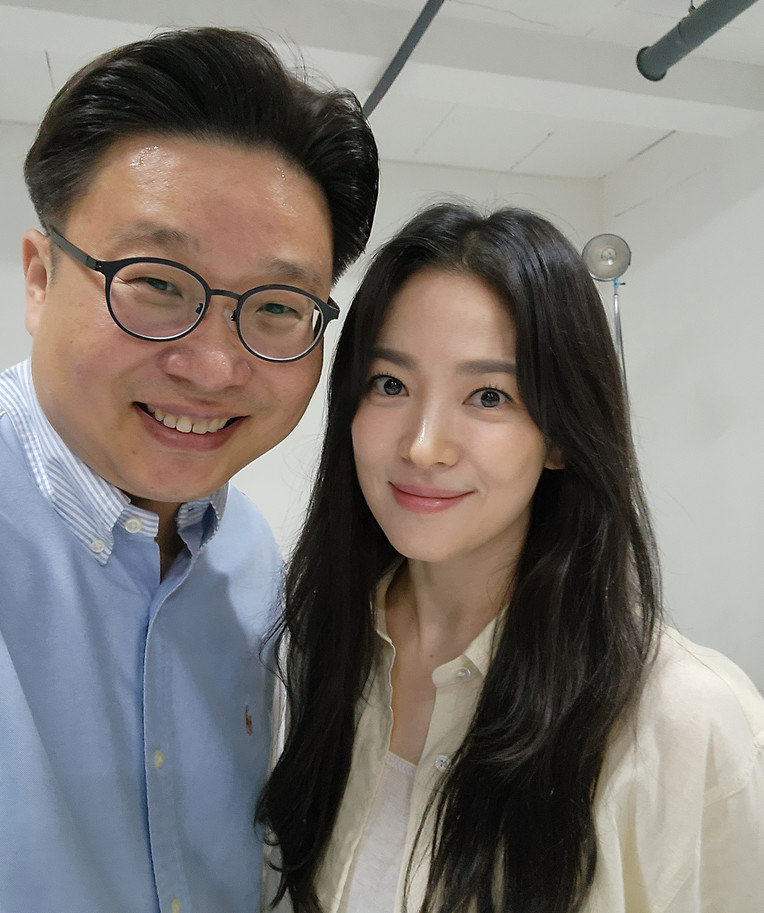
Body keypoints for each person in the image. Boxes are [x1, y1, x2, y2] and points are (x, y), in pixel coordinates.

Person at [258, 203, 764, 913]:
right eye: (391, 384)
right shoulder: (311, 647)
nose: (423, 446)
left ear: (560, 435)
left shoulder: (685, 722)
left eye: (488, 395)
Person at [0, 27, 378, 913]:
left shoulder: (248, 554)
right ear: (40, 277)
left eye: (277, 306)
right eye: (159, 282)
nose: (212, 367)